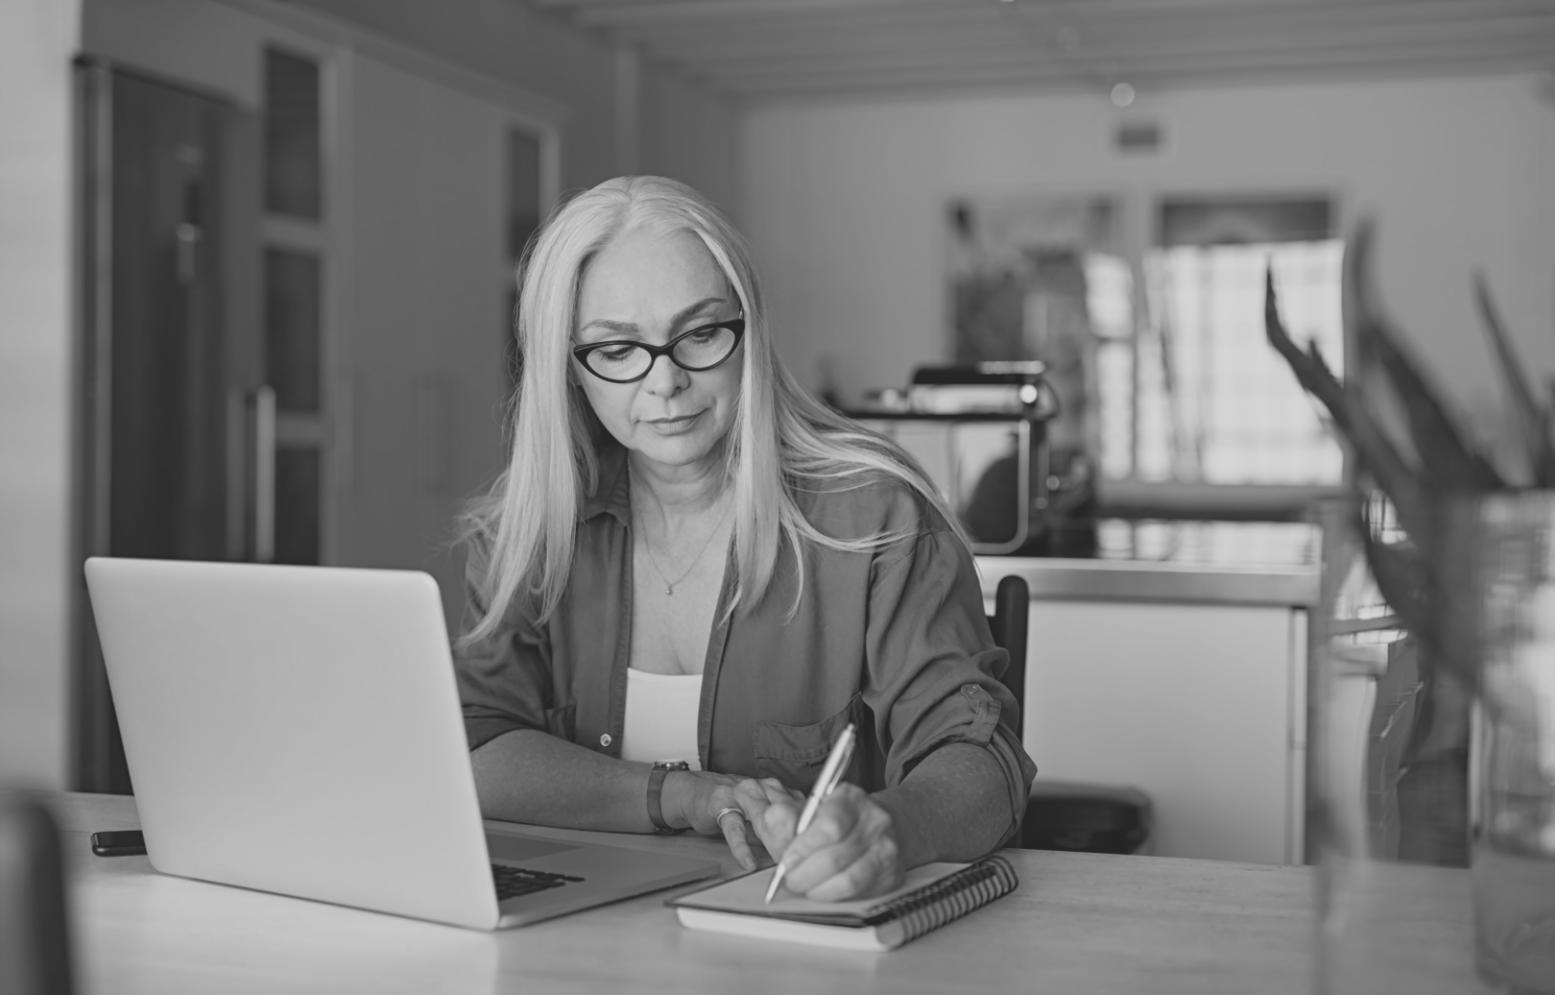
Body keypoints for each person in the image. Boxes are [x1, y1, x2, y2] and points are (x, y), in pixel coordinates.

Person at [454, 175, 1035, 902]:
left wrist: (894, 826)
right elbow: (476, 747)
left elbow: (980, 758)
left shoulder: (876, 513)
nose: (665, 382)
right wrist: (687, 795)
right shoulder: (526, 534)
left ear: (748, 331)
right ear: (568, 369)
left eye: (699, 333)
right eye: (616, 348)